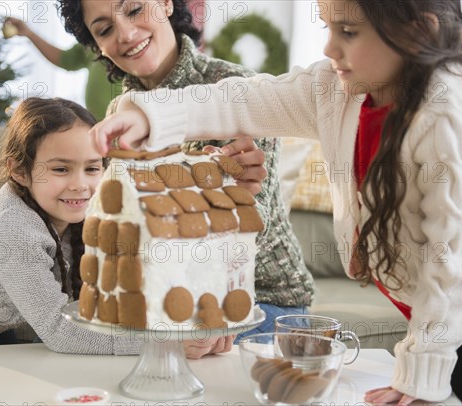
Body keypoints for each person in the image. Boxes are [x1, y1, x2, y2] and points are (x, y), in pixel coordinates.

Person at [87, 0, 462, 404]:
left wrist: (424, 368)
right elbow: (244, 99)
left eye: (348, 31)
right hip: (441, 316)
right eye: (327, 27)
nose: (329, 47)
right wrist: (149, 115)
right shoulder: (337, 89)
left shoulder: (448, 121)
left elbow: (452, 264)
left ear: (419, 31)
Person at [57, 0, 315, 355]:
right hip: (169, 296)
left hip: (260, 302)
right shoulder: (121, 109)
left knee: (160, 357)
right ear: (96, 46)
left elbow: (241, 236)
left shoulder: (236, 88)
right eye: (104, 29)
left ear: (165, 3)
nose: (126, 34)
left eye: (134, 10)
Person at [0, 97, 227, 359]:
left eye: (91, 168)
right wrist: (164, 344)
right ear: (19, 170)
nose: (80, 186)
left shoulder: (86, 209)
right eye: (61, 169)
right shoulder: (10, 231)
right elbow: (60, 330)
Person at [4, 17, 122, 121]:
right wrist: (28, 33)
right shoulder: (93, 40)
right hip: (97, 125)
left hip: (127, 124)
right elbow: (65, 59)